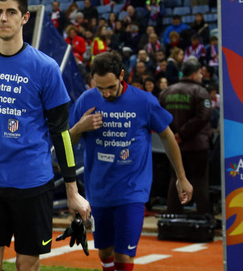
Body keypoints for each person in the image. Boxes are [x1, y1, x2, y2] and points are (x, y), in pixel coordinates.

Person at [0, 0, 90, 271]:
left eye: (11, 12)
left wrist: (72, 191)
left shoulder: (45, 68)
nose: (4, 18)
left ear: (25, 17)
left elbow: (61, 133)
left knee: (27, 265)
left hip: (33, 187)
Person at [69, 52, 193, 271]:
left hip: (132, 191)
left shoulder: (144, 101)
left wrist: (181, 177)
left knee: (124, 256)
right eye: (101, 88)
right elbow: (67, 141)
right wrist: (80, 127)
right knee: (106, 253)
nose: (106, 93)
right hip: (98, 191)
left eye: (111, 87)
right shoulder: (86, 100)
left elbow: (167, 135)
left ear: (122, 75)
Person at [159, 59, 212, 216]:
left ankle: (172, 218)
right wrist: (181, 135)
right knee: (199, 181)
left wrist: (173, 135)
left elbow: (159, 116)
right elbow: (203, 117)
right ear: (195, 74)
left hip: (173, 145)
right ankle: (204, 218)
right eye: (200, 73)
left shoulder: (166, 92)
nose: (202, 77)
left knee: (175, 179)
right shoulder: (201, 92)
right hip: (197, 146)